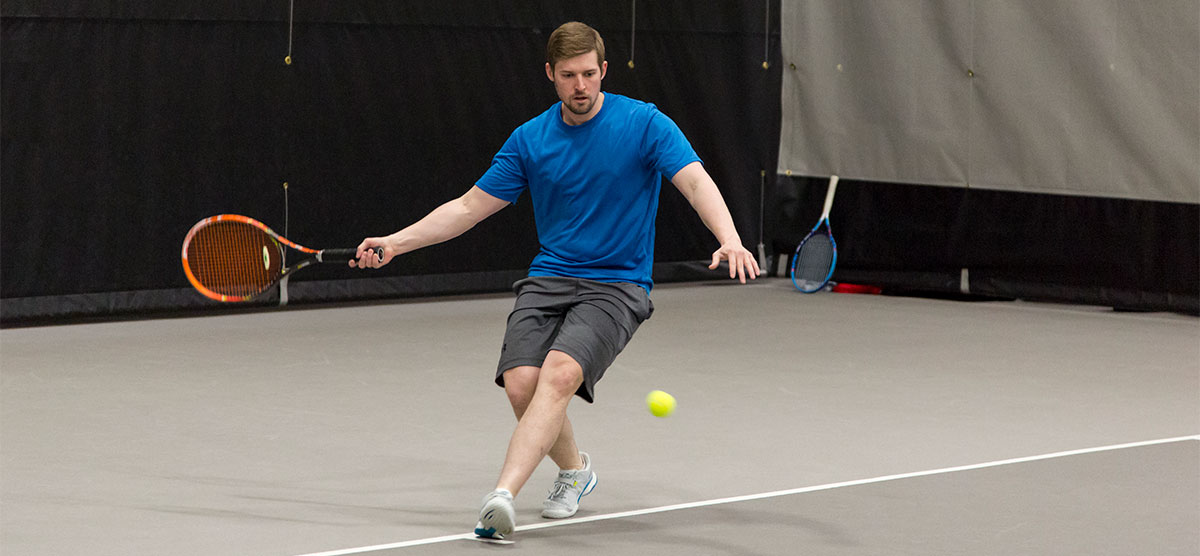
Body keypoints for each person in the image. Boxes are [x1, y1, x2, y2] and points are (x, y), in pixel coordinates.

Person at [350, 21, 759, 539]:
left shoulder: (645, 124)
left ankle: (500, 498)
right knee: (522, 384)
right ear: (551, 74)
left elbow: (695, 180)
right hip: (550, 278)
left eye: (590, 73)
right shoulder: (530, 139)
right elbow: (468, 207)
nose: (581, 86)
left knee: (561, 373)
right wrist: (395, 242)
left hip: (617, 284)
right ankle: (575, 472)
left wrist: (729, 237)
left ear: (604, 70)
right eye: (569, 76)